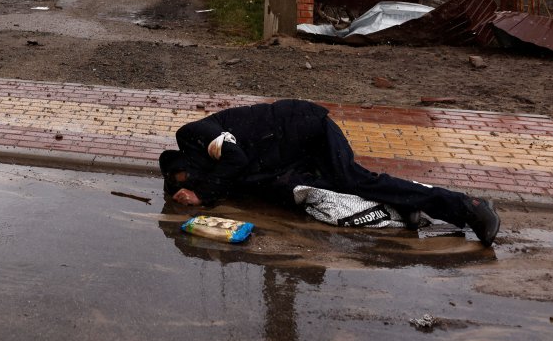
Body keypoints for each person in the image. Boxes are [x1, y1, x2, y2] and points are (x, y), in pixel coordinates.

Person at [159, 100, 501, 246]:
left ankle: (467, 207)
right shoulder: (206, 163)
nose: (188, 183)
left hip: (306, 128)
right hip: (291, 151)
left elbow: (235, 157)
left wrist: (202, 196)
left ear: (183, 163)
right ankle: (403, 208)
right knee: (308, 188)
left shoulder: (194, 134)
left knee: (353, 179)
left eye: (183, 179)